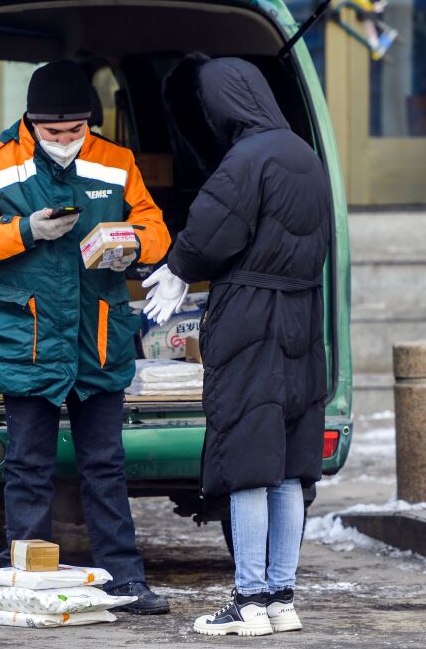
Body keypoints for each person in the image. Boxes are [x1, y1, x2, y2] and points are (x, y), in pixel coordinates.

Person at [0, 59, 173, 614]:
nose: (68, 142)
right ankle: (22, 585)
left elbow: (157, 229)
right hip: (28, 340)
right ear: (31, 123)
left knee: (105, 466)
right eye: (55, 134)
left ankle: (126, 580)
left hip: (97, 338)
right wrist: (26, 229)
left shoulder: (116, 162)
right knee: (28, 468)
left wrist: (129, 243)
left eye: (77, 132)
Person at [144, 54, 332, 636]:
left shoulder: (245, 159)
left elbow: (211, 227)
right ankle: (281, 597)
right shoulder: (305, 154)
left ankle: (248, 599)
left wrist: (178, 267)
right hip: (302, 313)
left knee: (247, 461)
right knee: (288, 464)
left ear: (223, 103)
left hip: (252, 316)